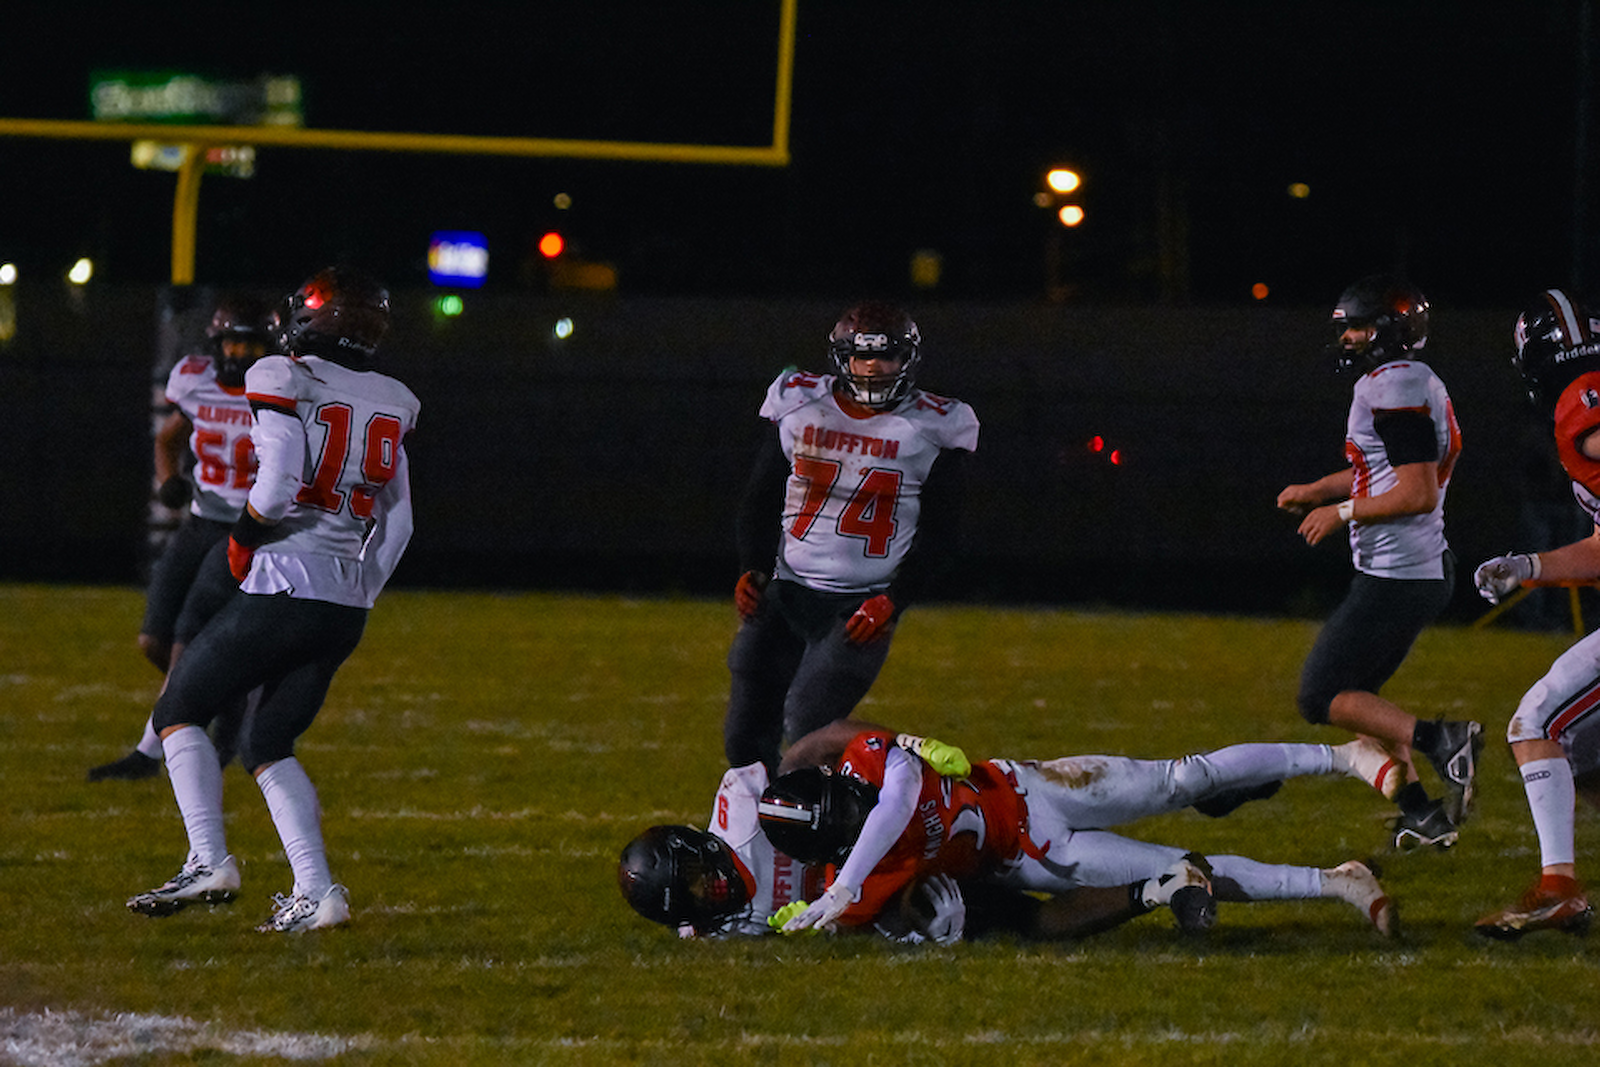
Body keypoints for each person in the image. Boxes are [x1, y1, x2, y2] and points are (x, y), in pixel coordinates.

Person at [125, 266, 419, 934]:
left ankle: (207, 859)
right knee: (267, 741)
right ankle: (318, 892)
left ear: (314, 318)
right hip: (345, 599)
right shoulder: (395, 398)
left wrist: (242, 541)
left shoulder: (279, 374)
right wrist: (361, 591)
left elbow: (281, 479)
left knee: (177, 710)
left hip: (287, 577)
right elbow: (400, 523)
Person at [764, 724, 1399, 939]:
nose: (858, 813)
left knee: (1184, 778)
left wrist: (844, 886)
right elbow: (899, 915)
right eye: (844, 825)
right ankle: (1337, 882)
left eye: (848, 804)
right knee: (1184, 868)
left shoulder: (872, 764)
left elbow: (896, 803)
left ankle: (1343, 756)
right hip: (1034, 858)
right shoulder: (857, 885)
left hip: (1033, 786)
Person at [617, 733, 1218, 943]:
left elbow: (816, 745)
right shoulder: (719, 933)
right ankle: (1158, 890)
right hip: (883, 883)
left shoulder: (743, 809)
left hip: (890, 827)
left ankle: (1224, 789)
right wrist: (912, 928)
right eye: (693, 896)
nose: (710, 890)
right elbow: (863, 920)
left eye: (698, 876)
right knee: (1013, 923)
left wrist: (899, 743)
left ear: (699, 845)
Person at [725, 301, 978, 775]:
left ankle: (882, 794)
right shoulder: (800, 403)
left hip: (859, 607)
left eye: (887, 356)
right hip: (787, 589)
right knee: (743, 737)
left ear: (907, 360)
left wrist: (894, 601)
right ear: (843, 359)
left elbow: (942, 534)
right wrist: (752, 567)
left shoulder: (933, 425)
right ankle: (760, 818)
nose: (874, 367)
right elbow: (760, 496)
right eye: (862, 356)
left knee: (809, 725)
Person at [1275, 273, 1481, 851]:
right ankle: (1422, 814)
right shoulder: (1410, 379)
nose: (1348, 339)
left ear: (1389, 331)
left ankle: (1444, 740)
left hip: (1401, 574)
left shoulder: (1393, 386)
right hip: (1417, 569)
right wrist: (1319, 488)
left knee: (1320, 696)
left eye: (1361, 328)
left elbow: (1416, 492)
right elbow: (1383, 470)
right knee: (1363, 701)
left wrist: (1339, 513)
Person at [89, 294, 272, 782]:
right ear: (217, 344)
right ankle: (226, 696)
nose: (240, 355)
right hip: (200, 522)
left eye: (252, 346)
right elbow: (167, 436)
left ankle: (148, 754)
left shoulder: (278, 394)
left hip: (245, 531)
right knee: (153, 640)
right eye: (233, 344)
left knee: (186, 642)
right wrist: (168, 478)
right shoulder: (196, 381)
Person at [1469, 287, 1600, 939]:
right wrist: (1530, 566)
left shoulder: (1582, 403)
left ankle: (1557, 888)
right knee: (1586, 754)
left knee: (1538, 721)